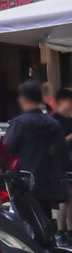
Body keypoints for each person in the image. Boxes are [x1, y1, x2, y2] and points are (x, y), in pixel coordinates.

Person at [0, 81, 68, 218]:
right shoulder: (53, 124)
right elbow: (62, 152)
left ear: (22, 99)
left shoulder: (19, 124)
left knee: (25, 222)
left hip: (23, 185)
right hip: (46, 185)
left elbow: (4, 152)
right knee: (44, 221)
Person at [52, 89, 72, 244]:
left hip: (70, 163)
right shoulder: (53, 121)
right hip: (59, 165)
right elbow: (55, 146)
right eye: (69, 101)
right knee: (63, 198)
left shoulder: (69, 120)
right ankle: (60, 231)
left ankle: (70, 230)